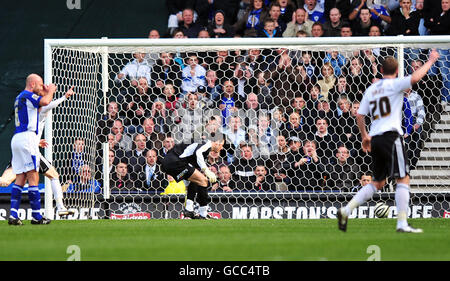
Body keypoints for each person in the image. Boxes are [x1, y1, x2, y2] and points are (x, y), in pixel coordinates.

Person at [337, 49, 440, 233]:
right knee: (403, 177)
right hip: (391, 137)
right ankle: (402, 223)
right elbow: (415, 78)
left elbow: (360, 115)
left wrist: (364, 136)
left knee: (378, 182)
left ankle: (346, 210)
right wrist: (430, 61)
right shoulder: (395, 84)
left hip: (375, 138)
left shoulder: (372, 88)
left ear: (381, 69)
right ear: (397, 70)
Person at [1, 85, 75, 217]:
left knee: (6, 181)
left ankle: (59, 207)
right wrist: (65, 96)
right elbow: (49, 104)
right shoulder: (40, 107)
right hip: (30, 149)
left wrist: (36, 141)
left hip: (23, 145)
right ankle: (59, 207)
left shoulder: (27, 107)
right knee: (53, 175)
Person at [8, 74, 55, 225]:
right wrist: (51, 91)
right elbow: (46, 101)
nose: (42, 87)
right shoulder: (28, 95)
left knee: (21, 176)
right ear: (33, 84)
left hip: (17, 138)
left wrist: (44, 92)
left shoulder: (20, 97)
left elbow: (41, 105)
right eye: (40, 85)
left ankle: (13, 215)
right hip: (27, 137)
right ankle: (36, 216)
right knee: (33, 176)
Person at [160, 138, 225, 219]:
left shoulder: (198, 145)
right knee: (204, 181)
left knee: (195, 180)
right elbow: (198, 152)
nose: (222, 148)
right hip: (176, 162)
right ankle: (203, 214)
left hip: (169, 165)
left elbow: (189, 166)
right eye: (222, 145)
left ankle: (189, 210)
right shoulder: (206, 143)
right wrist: (207, 171)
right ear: (216, 142)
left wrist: (187, 183)